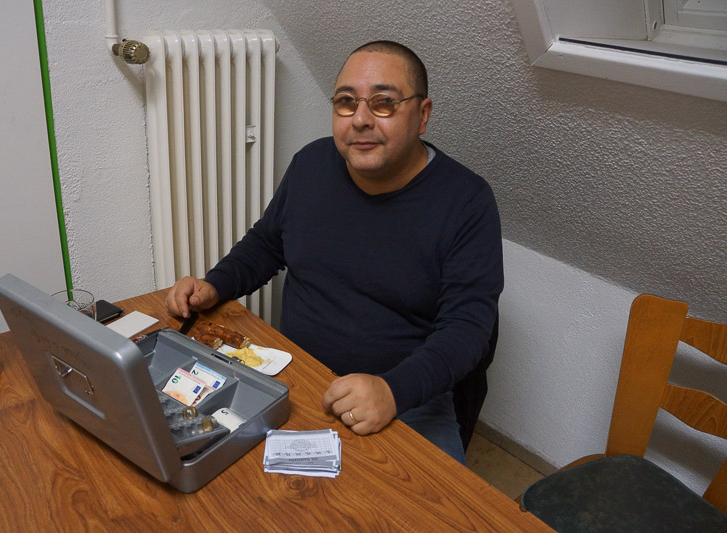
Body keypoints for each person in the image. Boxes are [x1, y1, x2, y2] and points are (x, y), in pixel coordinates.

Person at [167, 40, 503, 464]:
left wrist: (392, 391)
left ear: (422, 114)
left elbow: (468, 329)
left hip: (407, 397)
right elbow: (267, 242)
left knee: (433, 501)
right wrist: (215, 285)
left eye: (383, 103)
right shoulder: (311, 163)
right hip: (297, 374)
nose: (360, 119)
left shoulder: (467, 201)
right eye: (346, 102)